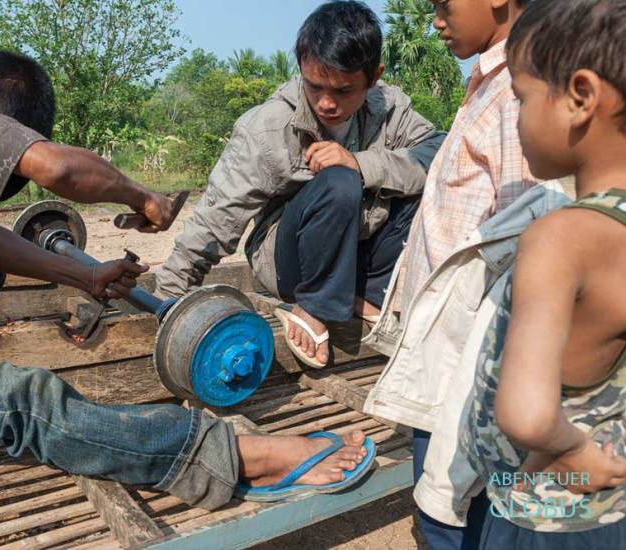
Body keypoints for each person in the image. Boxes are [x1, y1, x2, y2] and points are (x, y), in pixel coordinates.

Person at [0, 51, 373, 511]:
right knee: (23, 398)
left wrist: (89, 274)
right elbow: (55, 167)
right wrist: (140, 195)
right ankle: (223, 457)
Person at [154, 0, 444, 367]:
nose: (326, 104)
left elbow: (439, 152)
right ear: (302, 69)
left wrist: (363, 162)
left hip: (356, 255)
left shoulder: (390, 108)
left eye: (343, 91)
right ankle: (313, 307)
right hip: (290, 264)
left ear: (373, 78)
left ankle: (363, 294)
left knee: (423, 186)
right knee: (339, 180)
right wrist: (167, 301)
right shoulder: (268, 128)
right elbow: (215, 220)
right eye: (315, 86)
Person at [361, 0, 545, 547]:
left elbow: (523, 231)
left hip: (469, 349)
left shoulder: (518, 91)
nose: (435, 20)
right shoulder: (489, 82)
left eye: (443, 5)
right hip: (450, 341)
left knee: (452, 500)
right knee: (446, 488)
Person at [463, 1, 626, 547]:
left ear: (580, 97)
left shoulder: (560, 239)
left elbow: (528, 417)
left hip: (542, 515)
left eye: (522, 98)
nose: (516, 117)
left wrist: (574, 453)